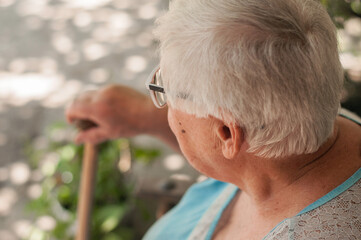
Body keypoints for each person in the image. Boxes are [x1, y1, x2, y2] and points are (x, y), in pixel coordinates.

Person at [66, 0, 361, 239]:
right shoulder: (314, 120)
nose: (164, 103)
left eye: (165, 89)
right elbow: (240, 155)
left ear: (226, 133)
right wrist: (143, 115)